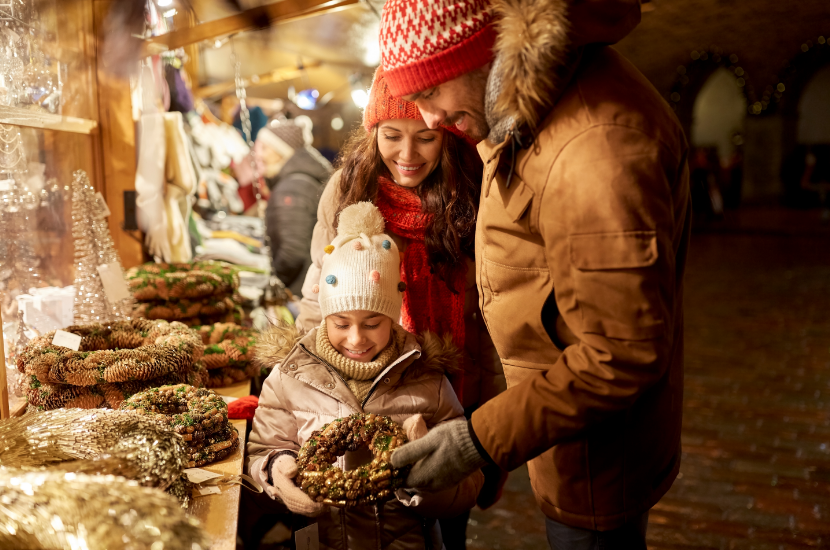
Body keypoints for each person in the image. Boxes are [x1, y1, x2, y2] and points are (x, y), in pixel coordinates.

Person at [378, 0, 692, 548]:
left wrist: (476, 439)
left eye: (431, 93)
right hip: (564, 425)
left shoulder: (594, 149)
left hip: (597, 453)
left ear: (485, 56)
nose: (428, 120)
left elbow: (619, 354)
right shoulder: (528, 107)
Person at [297, 67, 508, 547]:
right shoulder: (348, 190)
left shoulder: (472, 191)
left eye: (426, 138)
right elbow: (320, 291)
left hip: (459, 381)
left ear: (446, 136)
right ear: (373, 133)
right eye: (392, 135)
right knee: (377, 516)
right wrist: (311, 379)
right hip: (374, 381)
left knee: (452, 515)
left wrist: (498, 414)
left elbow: (492, 311)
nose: (406, 155)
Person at [248, 201, 484, 549]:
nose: (356, 338)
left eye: (373, 323)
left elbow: (467, 487)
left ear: (394, 318)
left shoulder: (429, 383)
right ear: (324, 316)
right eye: (341, 324)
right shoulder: (290, 378)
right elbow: (262, 451)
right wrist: (277, 472)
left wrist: (423, 474)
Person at [261, 121, 333, 300]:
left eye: (266, 148)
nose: (261, 155)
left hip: (300, 291)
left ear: (281, 151)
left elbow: (292, 252)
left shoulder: (293, 187)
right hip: (309, 285)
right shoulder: (300, 179)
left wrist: (275, 283)